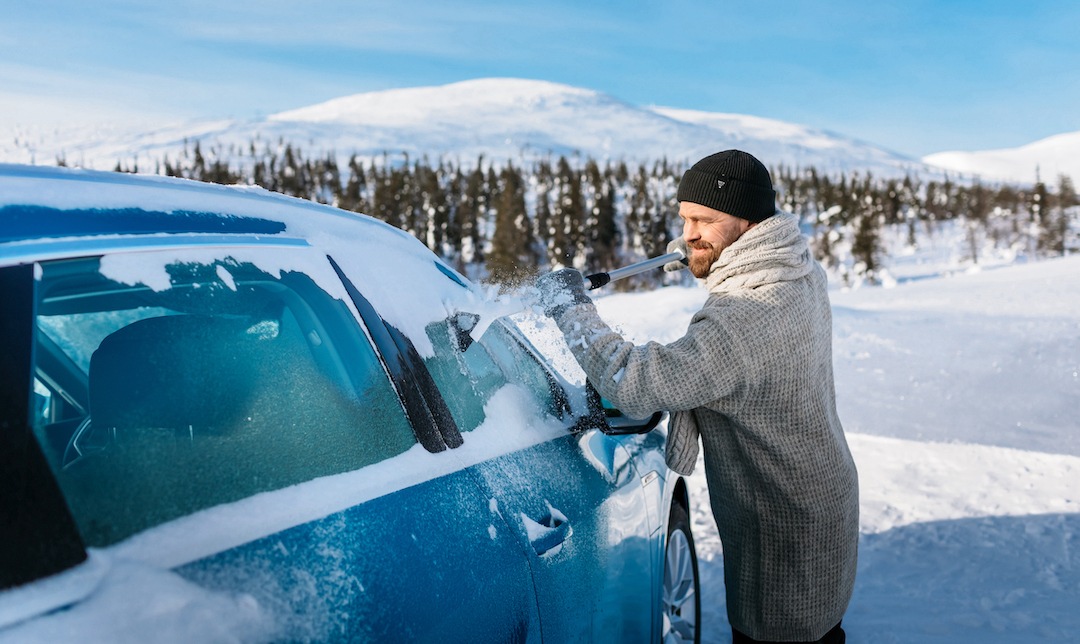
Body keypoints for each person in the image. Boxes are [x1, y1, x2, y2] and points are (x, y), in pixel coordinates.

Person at [535, 150, 859, 643]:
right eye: (684, 218)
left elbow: (638, 382)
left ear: (749, 223)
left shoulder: (749, 311)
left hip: (782, 524)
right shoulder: (792, 267)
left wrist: (572, 311)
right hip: (814, 493)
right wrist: (705, 247)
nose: (687, 233)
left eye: (704, 220)